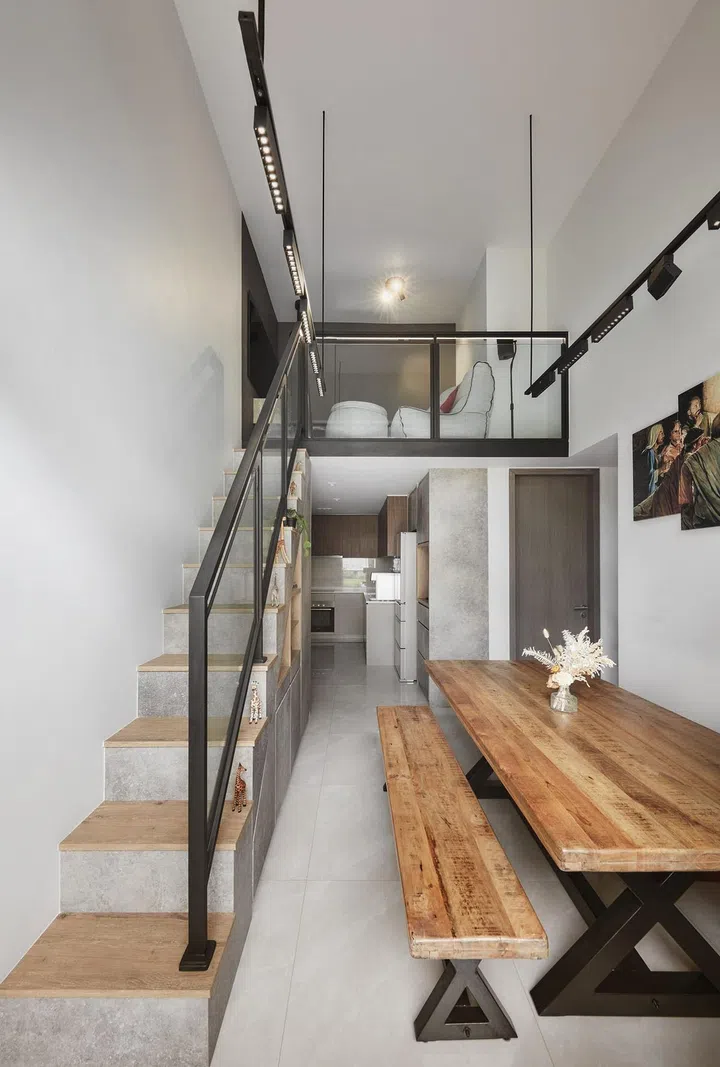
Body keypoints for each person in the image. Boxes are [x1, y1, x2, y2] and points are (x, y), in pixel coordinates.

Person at [679, 413, 720, 529]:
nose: (704, 441)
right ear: (696, 443)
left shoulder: (695, 457)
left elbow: (685, 501)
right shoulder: (692, 458)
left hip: (702, 521)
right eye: (701, 440)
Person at [642, 422, 665, 496]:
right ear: (655, 434)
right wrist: (661, 469)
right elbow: (648, 475)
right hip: (650, 493)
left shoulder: (654, 452)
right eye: (661, 433)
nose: (663, 435)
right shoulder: (649, 452)